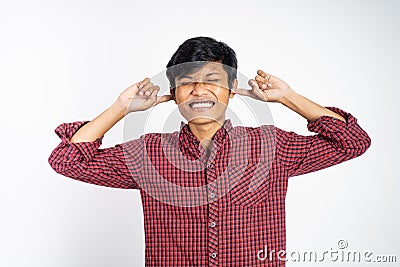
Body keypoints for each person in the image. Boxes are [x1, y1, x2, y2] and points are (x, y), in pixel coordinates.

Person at [48, 36, 371, 267]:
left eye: (212, 80)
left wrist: (287, 97)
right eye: (187, 82)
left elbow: (353, 141)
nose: (199, 90)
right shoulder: (149, 155)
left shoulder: (272, 146)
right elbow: (66, 161)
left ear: (231, 90)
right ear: (174, 94)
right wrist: (121, 108)